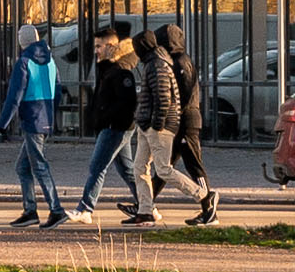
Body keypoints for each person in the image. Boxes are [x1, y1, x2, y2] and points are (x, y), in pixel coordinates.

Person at [73, 28, 154, 224]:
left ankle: (85, 209)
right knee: (127, 170)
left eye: (99, 46)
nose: (96, 51)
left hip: (116, 127)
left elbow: (126, 102)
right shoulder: (110, 67)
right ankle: (148, 207)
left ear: (110, 46)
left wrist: (105, 118)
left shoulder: (121, 69)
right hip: (113, 125)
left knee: (97, 166)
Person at [148, 23, 216, 224]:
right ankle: (145, 203)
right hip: (179, 120)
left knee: (193, 164)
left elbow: (183, 94)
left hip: (185, 121)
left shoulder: (180, 63)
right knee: (164, 165)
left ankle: (208, 205)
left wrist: (172, 115)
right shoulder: (174, 61)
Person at [0, 34, 67, 226]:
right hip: (45, 117)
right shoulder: (51, 61)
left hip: (32, 118)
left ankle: (56, 209)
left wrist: (3, 124)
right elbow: (58, 89)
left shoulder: (24, 62)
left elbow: (15, 95)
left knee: (39, 166)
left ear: (22, 41)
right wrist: (52, 115)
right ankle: (30, 210)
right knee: (23, 167)